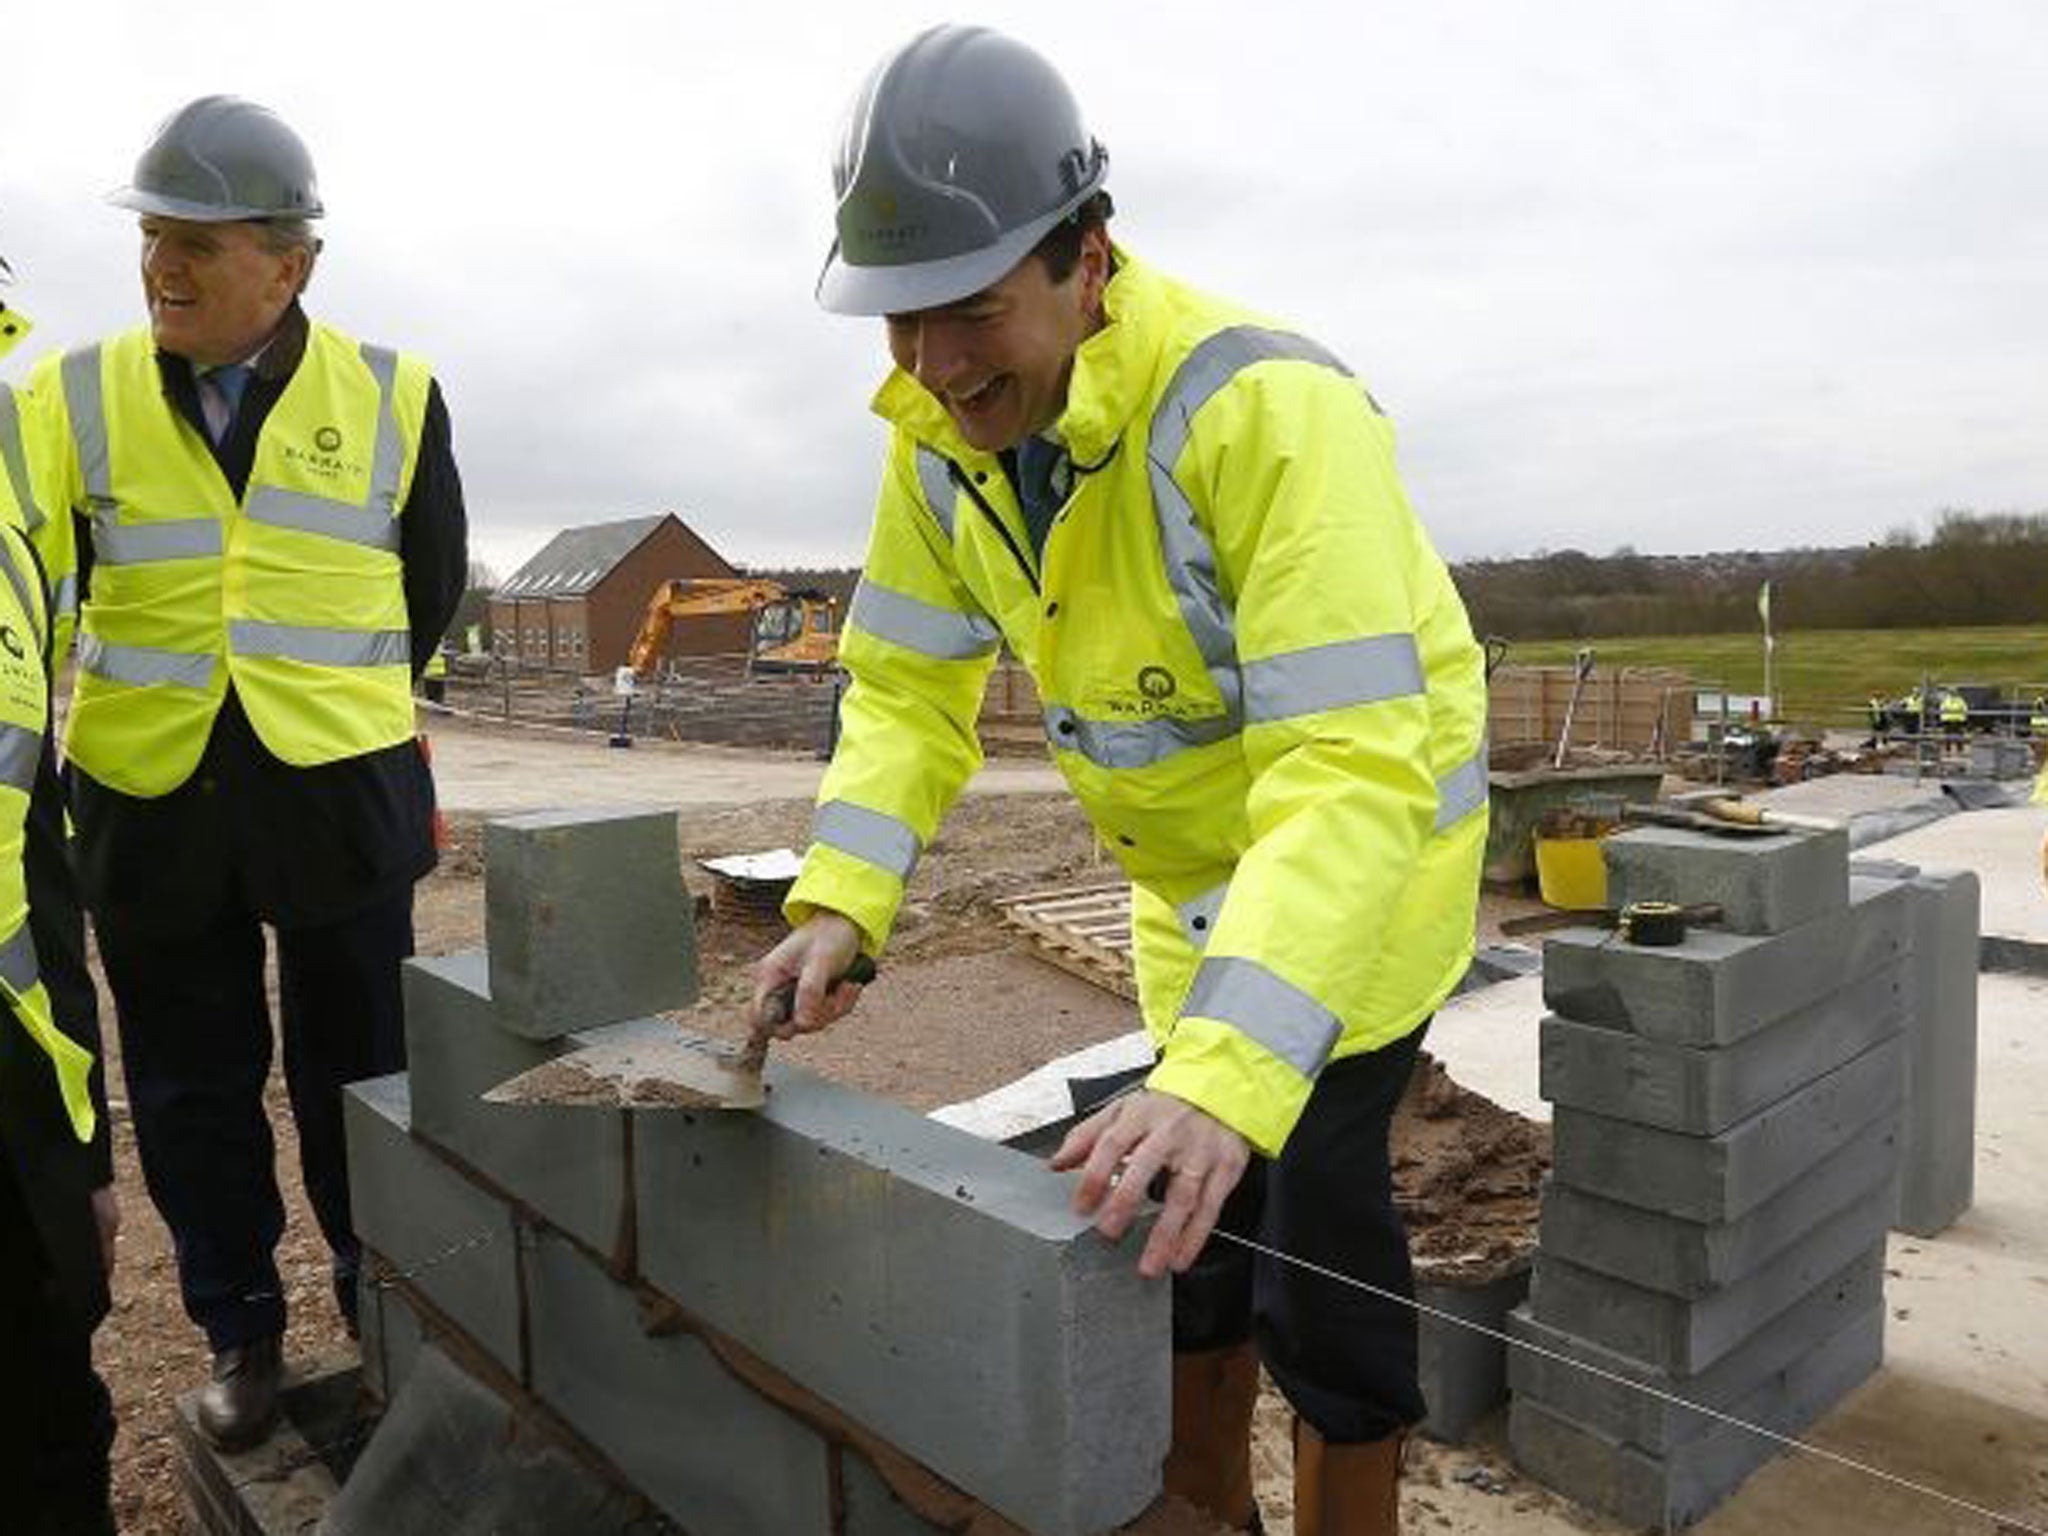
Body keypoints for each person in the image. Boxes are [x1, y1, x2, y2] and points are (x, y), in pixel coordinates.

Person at [750, 26, 1487, 1534]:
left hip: (1364, 895)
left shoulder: (1266, 414)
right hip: (1187, 903)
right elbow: (904, 689)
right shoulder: (938, 448)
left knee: (1316, 1247)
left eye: (970, 314)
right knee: (1182, 1231)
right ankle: (1199, 1506)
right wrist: (843, 899)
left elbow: (1349, 772)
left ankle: (1352, 1500)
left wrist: (1229, 1077)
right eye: (899, 324)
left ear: (1088, 254)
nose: (938, 368)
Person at [23, 95, 467, 1452]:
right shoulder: (69, 394)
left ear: (292, 264)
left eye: (197, 245)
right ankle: (242, 1334)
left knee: (363, 1073)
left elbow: (431, 583)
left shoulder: (394, 393)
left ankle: (372, 1299)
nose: (161, 268)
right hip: (152, 803)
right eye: (153, 238)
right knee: (188, 1081)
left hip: (336, 790)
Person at [0, 241, 120, 1534]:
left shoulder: (15, 467)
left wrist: (81, 1147)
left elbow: (33, 828)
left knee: (49, 1434)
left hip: (14, 1086)